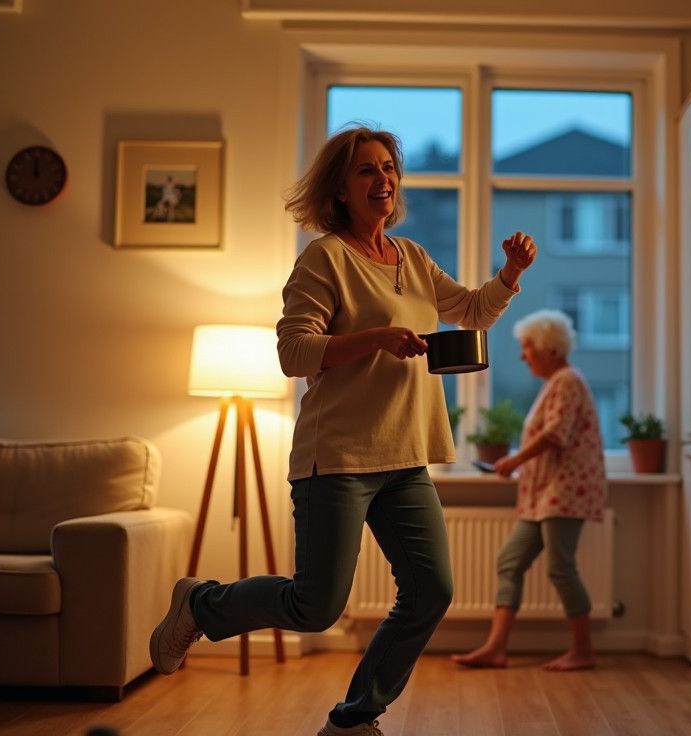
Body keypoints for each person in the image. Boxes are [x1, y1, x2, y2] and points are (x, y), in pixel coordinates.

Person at [149, 125, 537, 736]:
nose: (383, 179)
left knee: (431, 591)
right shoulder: (323, 257)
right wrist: (376, 339)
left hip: (406, 457)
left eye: (388, 168)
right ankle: (201, 603)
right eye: (366, 170)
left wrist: (509, 273)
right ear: (340, 189)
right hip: (338, 458)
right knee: (316, 607)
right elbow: (295, 352)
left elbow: (470, 310)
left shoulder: (410, 257)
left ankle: (355, 720)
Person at [450, 309, 606, 672]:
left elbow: (555, 435)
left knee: (561, 569)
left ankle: (583, 651)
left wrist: (513, 461)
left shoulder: (568, 381)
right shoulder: (555, 384)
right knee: (510, 560)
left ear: (549, 348)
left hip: (564, 492)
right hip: (542, 495)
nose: (523, 355)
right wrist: (518, 465)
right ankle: (495, 648)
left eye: (527, 347)